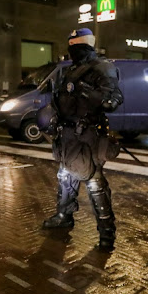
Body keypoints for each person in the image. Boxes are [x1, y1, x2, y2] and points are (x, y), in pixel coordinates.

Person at [41, 28, 124, 252]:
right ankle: (64, 216)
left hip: (88, 135)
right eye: (71, 44)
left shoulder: (102, 67)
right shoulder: (71, 70)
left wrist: (87, 91)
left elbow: (113, 101)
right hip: (67, 134)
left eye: (76, 45)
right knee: (65, 175)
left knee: (95, 182)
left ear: (86, 45)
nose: (72, 49)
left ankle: (107, 233)